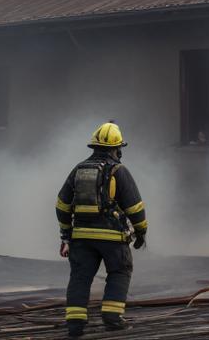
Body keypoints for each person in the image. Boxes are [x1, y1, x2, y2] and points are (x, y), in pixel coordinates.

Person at [55, 122, 148, 337]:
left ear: (94, 147)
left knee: (80, 277)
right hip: (113, 238)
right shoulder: (119, 170)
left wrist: (66, 234)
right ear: (117, 149)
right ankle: (112, 318)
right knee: (119, 271)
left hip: (81, 238)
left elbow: (61, 205)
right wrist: (141, 232)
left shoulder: (78, 170)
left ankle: (75, 325)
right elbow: (135, 207)